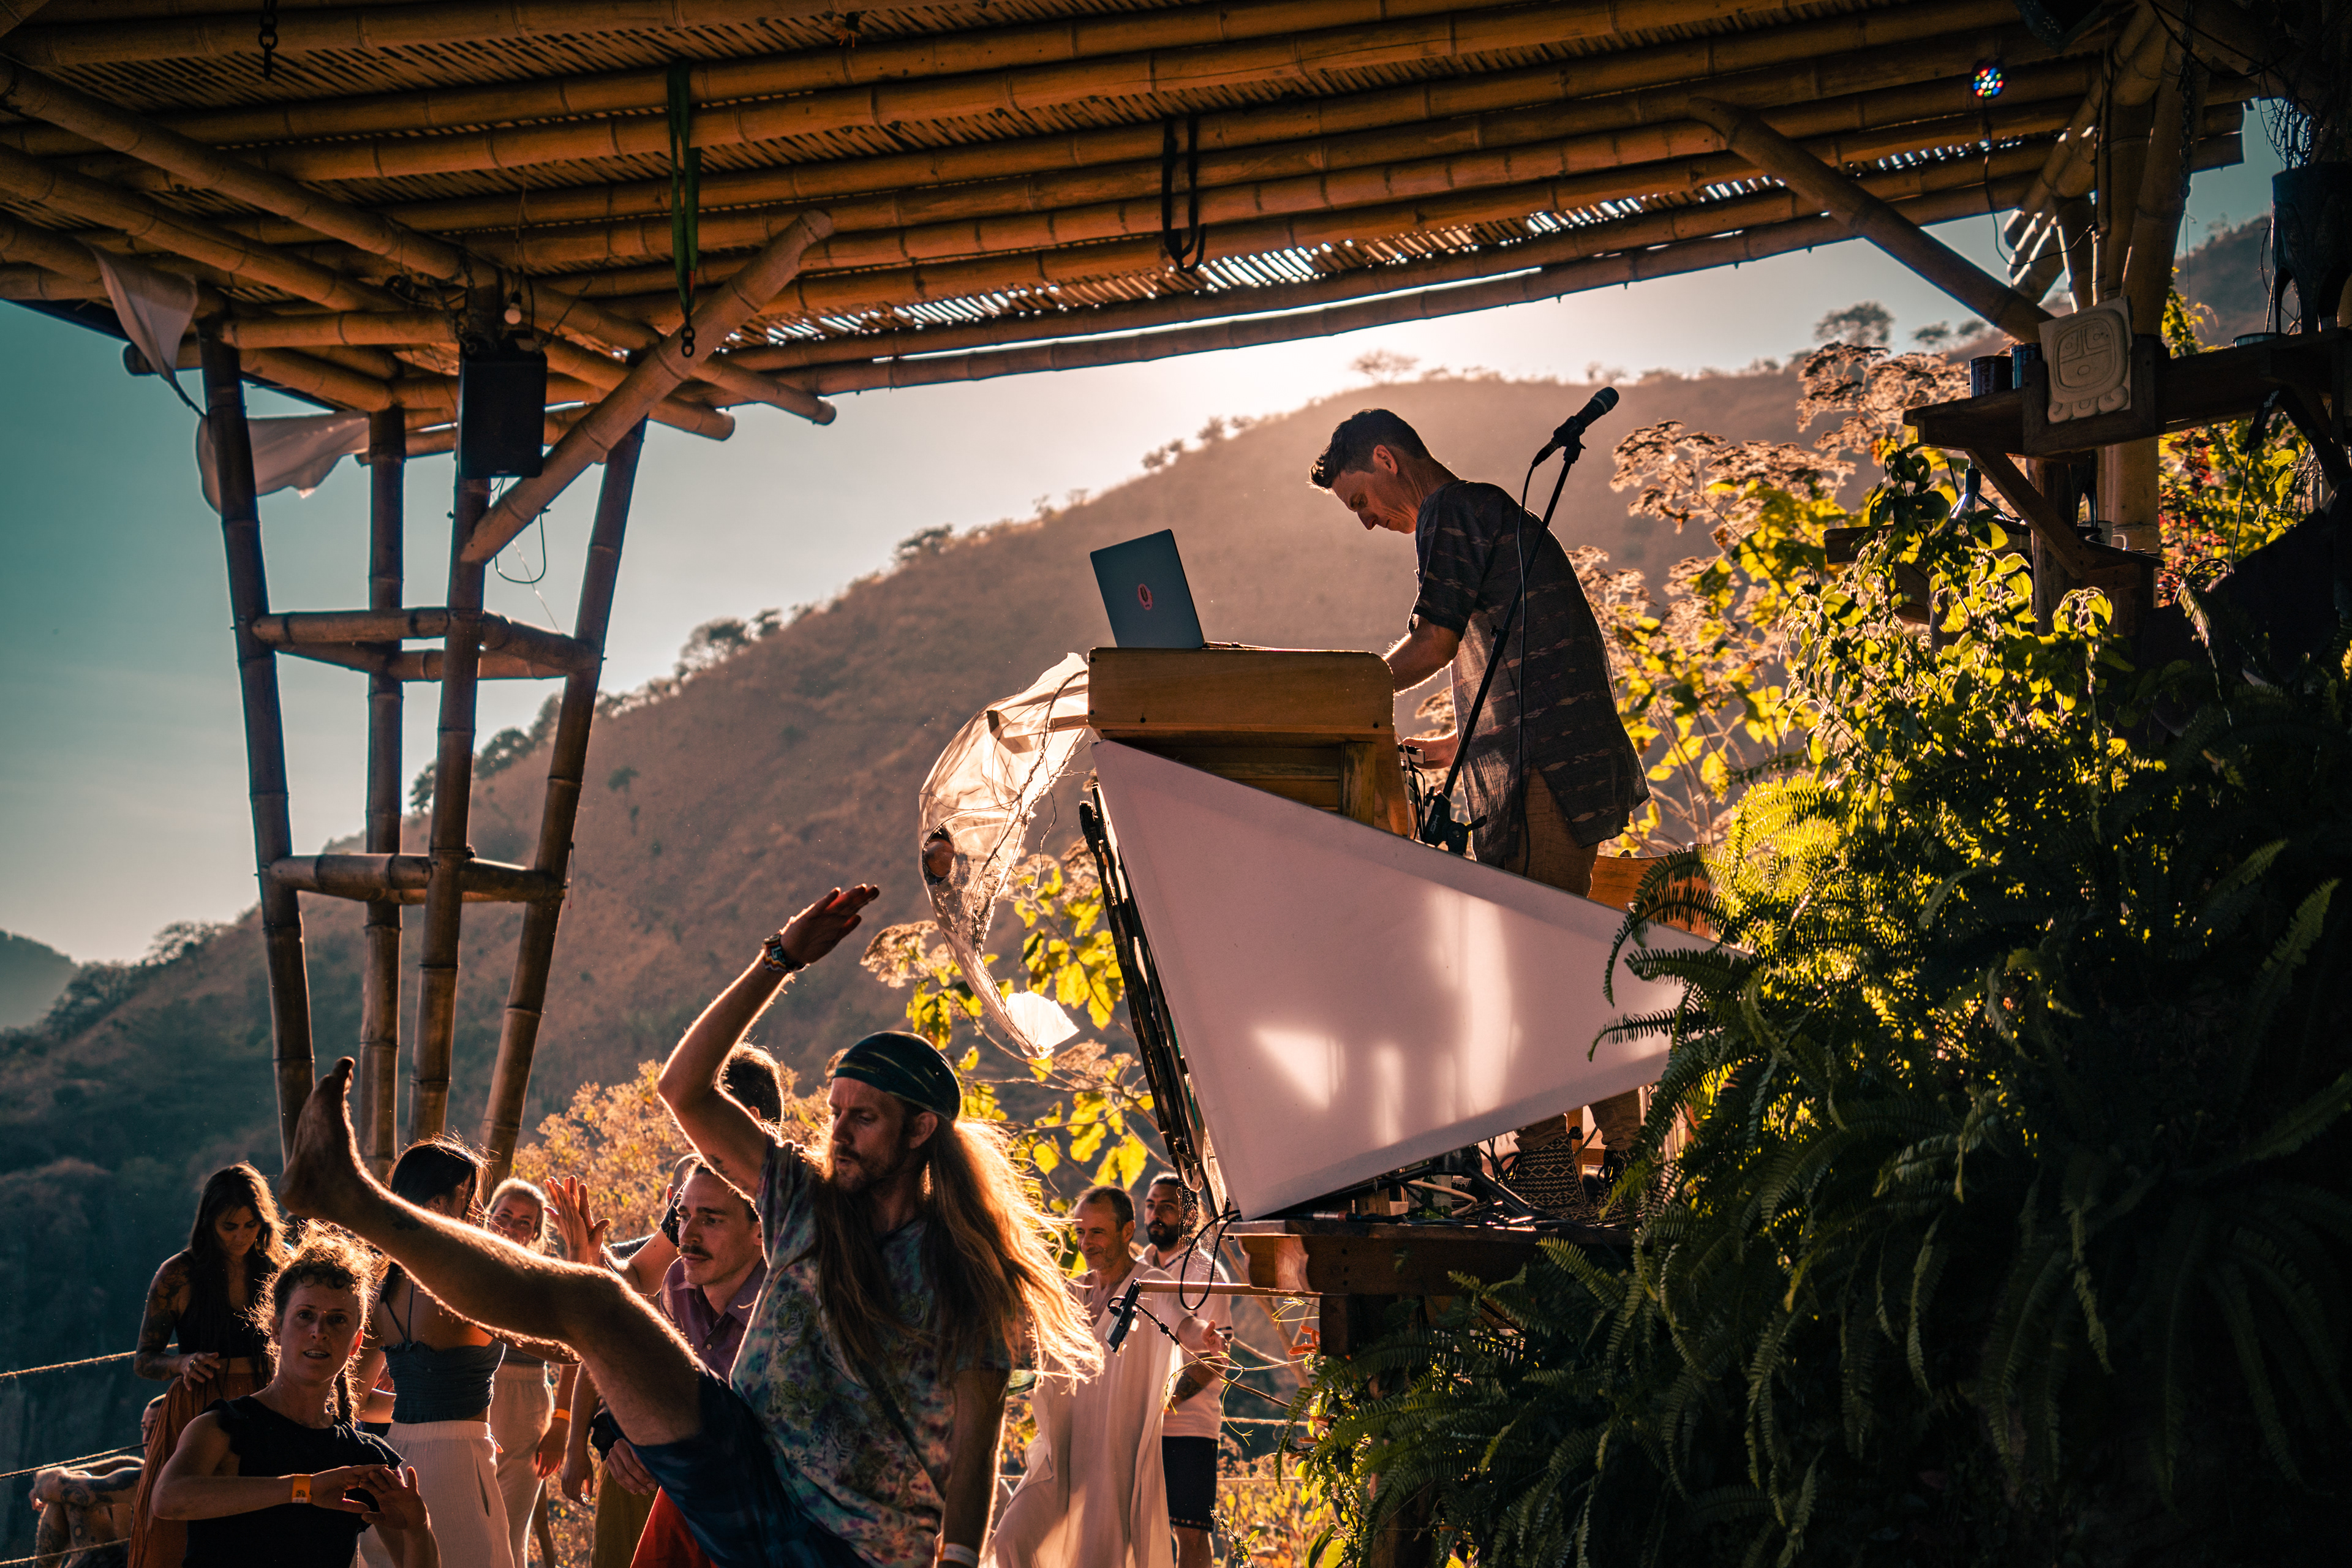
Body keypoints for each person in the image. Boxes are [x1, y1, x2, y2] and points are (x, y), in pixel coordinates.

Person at [276, 884, 1101, 1568]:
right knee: (596, 1301)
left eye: (865, 1118)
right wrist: (778, 959)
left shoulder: (966, 1270)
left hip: (853, 1546)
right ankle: (350, 1197)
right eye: (836, 1112)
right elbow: (684, 1089)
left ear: (920, 1130)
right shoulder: (808, 1199)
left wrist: (959, 1560)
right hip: (740, 1461)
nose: (839, 1133)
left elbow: (978, 1437)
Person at [1311, 407, 1651, 1156]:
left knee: (1530, 975)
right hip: (1552, 758)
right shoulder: (1483, 511)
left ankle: (1567, 1171)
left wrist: (1342, 693)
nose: (1365, 521)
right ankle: (1621, 1169)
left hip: (1545, 770)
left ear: (1386, 459)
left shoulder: (1452, 510)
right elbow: (1525, 654)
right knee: (1553, 970)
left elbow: (1436, 640)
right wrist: (1456, 744)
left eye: (1360, 500)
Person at [150, 1230, 437, 1568]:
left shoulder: (364, 1458)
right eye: (305, 1315)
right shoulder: (223, 1428)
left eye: (338, 1320)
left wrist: (419, 1529)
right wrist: (304, 1489)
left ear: (357, 1342)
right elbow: (168, 1499)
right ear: (275, 1328)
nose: (319, 1331)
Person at [990, 1186, 1220, 1568]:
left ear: (1127, 1231)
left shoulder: (1150, 1284)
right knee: (1011, 1538)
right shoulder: (1073, 1290)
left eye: (1097, 1232)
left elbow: (1184, 1324)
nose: (1086, 1243)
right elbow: (1034, 1346)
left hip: (1112, 1459)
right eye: (1080, 1233)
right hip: (1060, 1450)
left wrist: (1205, 1338)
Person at [353, 1138, 550, 1568]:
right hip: (460, 1462)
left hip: (395, 1462)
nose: (478, 1213)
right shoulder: (470, 1284)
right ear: (440, 1204)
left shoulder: (380, 1288)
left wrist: (417, 1401)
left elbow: (356, 1400)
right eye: (471, 1199)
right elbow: (563, 1349)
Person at [126, 1163, 290, 1568]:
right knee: (181, 1530)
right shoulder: (178, 1275)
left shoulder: (281, 1269)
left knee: (266, 1526)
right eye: (229, 1226)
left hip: (268, 1404)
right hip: (198, 1408)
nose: (240, 1236)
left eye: (251, 1225)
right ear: (209, 1223)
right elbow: (144, 1360)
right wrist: (182, 1362)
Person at [625, 1156, 773, 1568]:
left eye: (711, 1220)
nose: (687, 1235)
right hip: (697, 1490)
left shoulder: (784, 1309)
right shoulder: (679, 1282)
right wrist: (628, 1436)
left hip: (775, 1509)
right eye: (683, 1216)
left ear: (760, 1230)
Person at [484, 1177, 580, 1568]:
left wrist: (561, 1424)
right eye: (504, 1216)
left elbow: (574, 1353)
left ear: (536, 1234)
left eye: (524, 1222)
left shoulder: (546, 1282)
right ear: (488, 1216)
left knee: (509, 1537)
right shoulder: (465, 1270)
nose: (511, 1227)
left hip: (528, 1412)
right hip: (470, 1400)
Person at [1137, 1177, 1231, 1568]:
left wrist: (1166, 1402)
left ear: (1190, 1216)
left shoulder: (1206, 1272)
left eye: (1167, 1207)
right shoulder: (1138, 1268)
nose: (1155, 1214)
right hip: (1137, 1424)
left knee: (1190, 1534)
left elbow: (1216, 1359)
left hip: (1189, 1427)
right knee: (1135, 1528)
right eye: (1150, 1205)